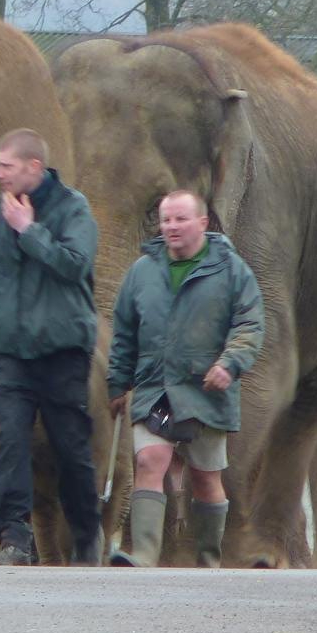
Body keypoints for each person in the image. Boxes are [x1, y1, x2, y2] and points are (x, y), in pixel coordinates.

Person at [107, 189, 264, 568]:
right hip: (155, 387)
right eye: (166, 220)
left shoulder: (231, 269)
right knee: (150, 459)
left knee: (205, 478)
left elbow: (250, 324)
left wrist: (229, 364)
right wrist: (117, 383)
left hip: (205, 390)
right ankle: (144, 555)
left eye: (180, 219)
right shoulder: (142, 271)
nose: (171, 227)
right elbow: (124, 332)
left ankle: (208, 557)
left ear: (202, 223)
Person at [0, 129, 102, 566]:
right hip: (13, 352)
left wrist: (29, 231)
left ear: (34, 166)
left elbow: (74, 265)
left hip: (62, 348)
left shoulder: (73, 208)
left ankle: (86, 536)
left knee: (71, 446)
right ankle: (13, 538)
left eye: (5, 166)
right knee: (10, 440)